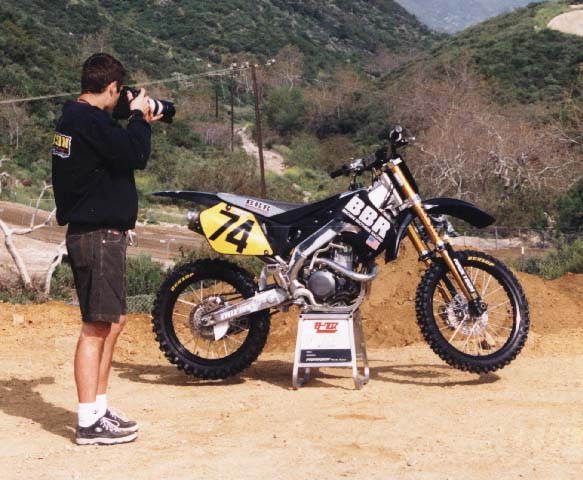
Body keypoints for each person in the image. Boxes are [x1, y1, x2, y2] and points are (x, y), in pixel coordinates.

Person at [51, 53, 162, 445]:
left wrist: (132, 113)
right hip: (96, 234)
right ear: (112, 88)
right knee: (95, 327)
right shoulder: (86, 122)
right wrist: (139, 118)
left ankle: (98, 407)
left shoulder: (78, 119)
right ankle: (87, 422)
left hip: (102, 233)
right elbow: (136, 155)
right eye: (118, 94)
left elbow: (114, 144)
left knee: (113, 322)